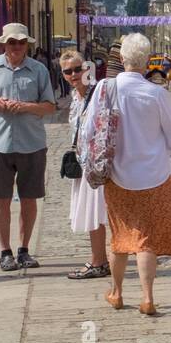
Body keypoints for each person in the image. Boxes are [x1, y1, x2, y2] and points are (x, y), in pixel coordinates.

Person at [83, 32, 171, 316]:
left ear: (121, 58)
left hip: (117, 175)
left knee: (120, 237)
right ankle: (147, 297)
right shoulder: (157, 93)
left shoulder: (105, 88)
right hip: (153, 176)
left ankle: (116, 293)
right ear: (146, 60)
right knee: (147, 239)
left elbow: (89, 129)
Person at [0, 23, 57, 272]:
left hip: (32, 143)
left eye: (21, 43)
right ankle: (4, 251)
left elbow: (50, 106)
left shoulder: (39, 70)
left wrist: (27, 107)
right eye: (12, 43)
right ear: (4, 44)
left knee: (29, 200)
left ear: (27, 44)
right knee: (1, 200)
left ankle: (24, 250)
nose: (16, 47)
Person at [60, 49, 109, 280]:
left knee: (98, 213)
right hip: (84, 163)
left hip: (98, 163)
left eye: (78, 69)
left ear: (87, 69)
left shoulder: (97, 92)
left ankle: (100, 262)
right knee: (93, 214)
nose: (74, 74)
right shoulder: (75, 96)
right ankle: (100, 260)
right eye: (68, 71)